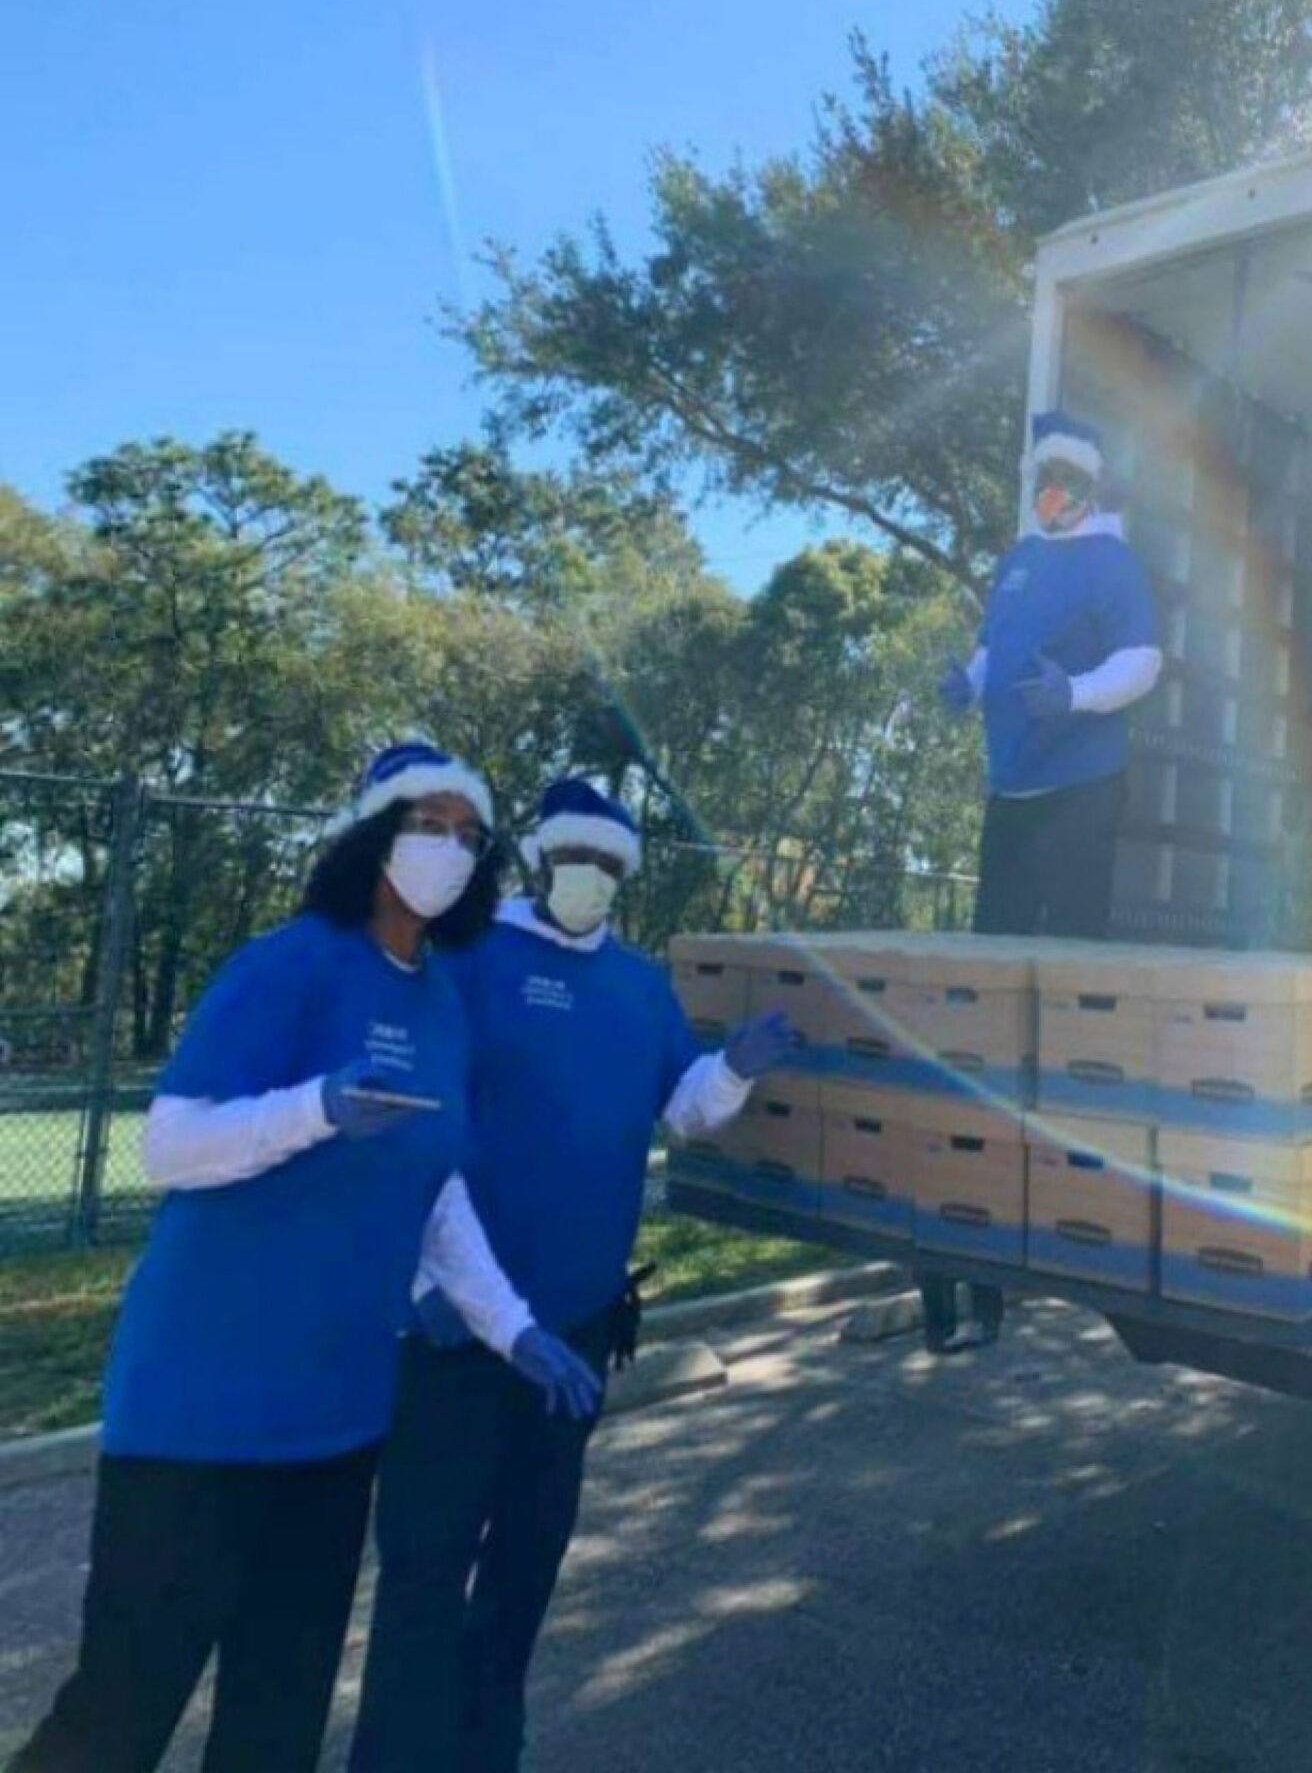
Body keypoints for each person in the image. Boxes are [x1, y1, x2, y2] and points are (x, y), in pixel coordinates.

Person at [8, 741, 543, 1773]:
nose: (450, 849)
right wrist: (316, 1108)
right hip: (198, 1421)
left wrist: (511, 1325)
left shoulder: (441, 1003)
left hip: (336, 1428)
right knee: (120, 1706)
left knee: (278, 1716)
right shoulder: (288, 963)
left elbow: (437, 1194)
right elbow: (171, 1143)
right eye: (428, 825)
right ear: (373, 835)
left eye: (470, 836)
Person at [348, 776, 797, 1773]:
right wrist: (433, 1286)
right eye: (574, 859)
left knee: (525, 1565)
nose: (588, 877)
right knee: (425, 1573)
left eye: (608, 864)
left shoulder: (638, 984)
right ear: (542, 859)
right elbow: (414, 1121)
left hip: (576, 1336)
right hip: (457, 1334)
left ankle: (485, 1749)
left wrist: (735, 1065)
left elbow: (679, 1107)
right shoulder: (468, 956)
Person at [925, 410, 1163, 1351]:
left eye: (1065, 477)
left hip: (1081, 785)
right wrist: (970, 684)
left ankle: (1077, 1144)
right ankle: (991, 1178)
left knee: (1066, 969)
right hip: (1011, 789)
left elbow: (1143, 660)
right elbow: (998, 649)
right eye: (1042, 478)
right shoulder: (1020, 560)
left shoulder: (1112, 561)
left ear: (1090, 484)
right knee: (995, 972)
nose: (1051, 492)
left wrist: (1078, 695)